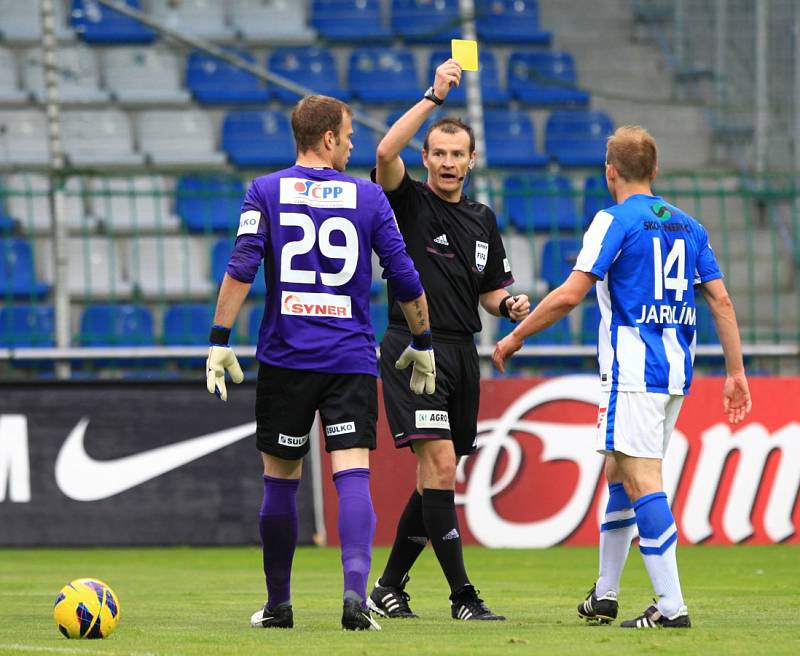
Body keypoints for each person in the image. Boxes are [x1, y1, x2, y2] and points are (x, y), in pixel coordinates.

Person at [493, 125, 752, 628]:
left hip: (632, 372)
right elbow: (720, 299)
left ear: (609, 172)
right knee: (618, 472)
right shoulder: (689, 226)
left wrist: (515, 336)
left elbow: (571, 294)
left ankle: (672, 607)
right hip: (675, 372)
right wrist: (736, 371)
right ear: (654, 171)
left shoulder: (612, 221)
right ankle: (606, 593)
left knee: (640, 478)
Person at [205, 95, 437, 632]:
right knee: (352, 474)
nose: (353, 144)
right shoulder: (369, 197)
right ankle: (355, 598)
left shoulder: (263, 190)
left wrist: (219, 338)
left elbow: (241, 267)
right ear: (328, 138)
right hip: (351, 358)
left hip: (286, 358)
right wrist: (422, 339)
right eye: (349, 134)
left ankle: (279, 605)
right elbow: (403, 275)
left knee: (280, 482)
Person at [366, 59, 530, 622]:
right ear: (426, 157)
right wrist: (432, 99)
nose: (448, 162)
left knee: (437, 474)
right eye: (439, 152)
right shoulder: (407, 200)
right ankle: (464, 598)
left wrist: (508, 304)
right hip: (414, 348)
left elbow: (490, 289)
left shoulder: (483, 219)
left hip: (463, 351)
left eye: (457, 154)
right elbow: (385, 154)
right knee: (437, 467)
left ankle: (387, 586)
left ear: (471, 161)